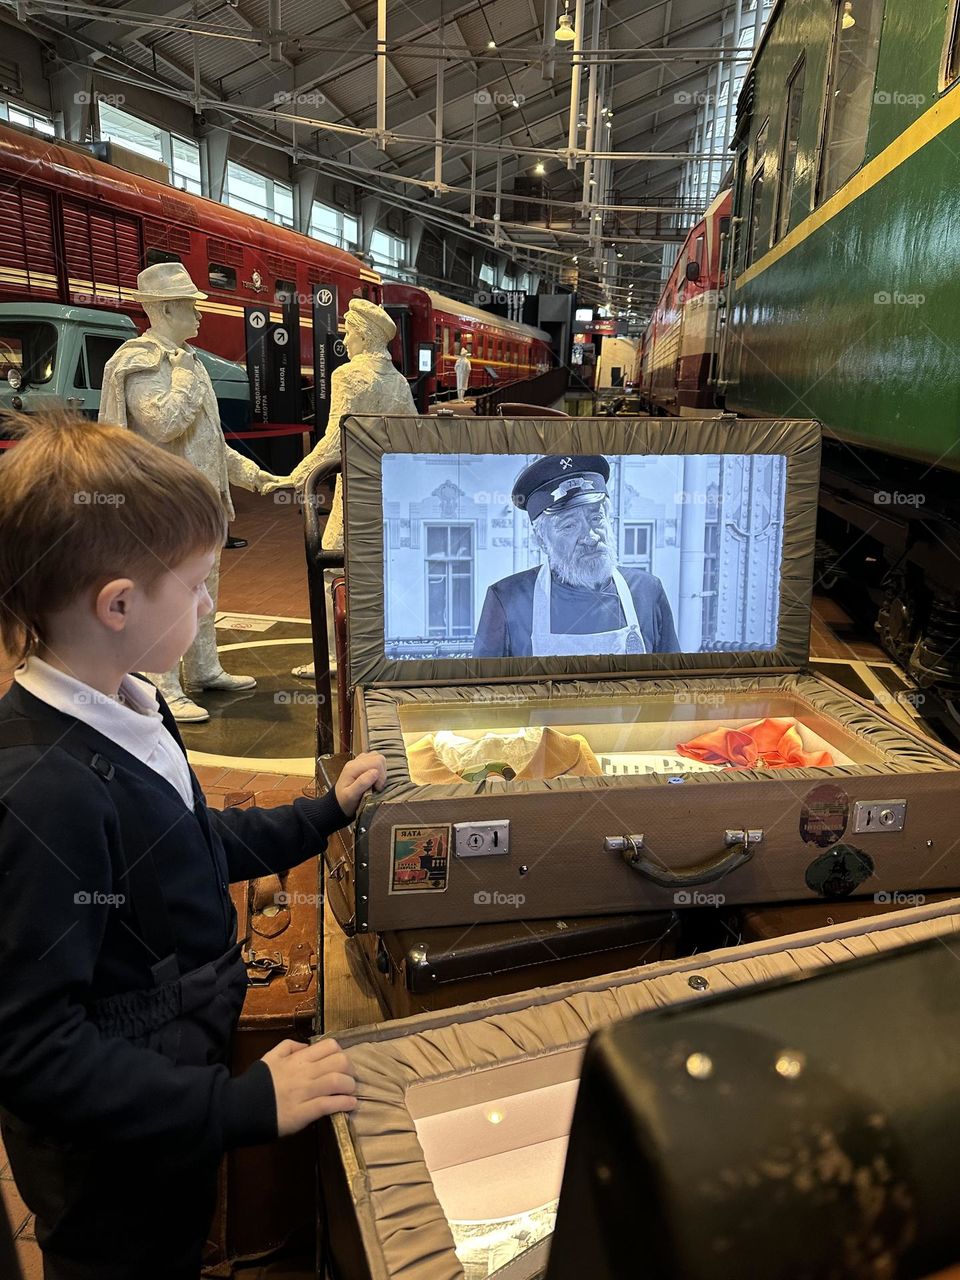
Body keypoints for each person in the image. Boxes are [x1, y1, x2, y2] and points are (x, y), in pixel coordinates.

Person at [0, 410, 387, 1280]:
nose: (212, 603)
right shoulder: (46, 793)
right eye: (201, 583)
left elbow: (185, 842)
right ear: (120, 605)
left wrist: (321, 813)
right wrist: (241, 1103)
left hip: (169, 1088)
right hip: (111, 1158)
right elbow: (33, 1051)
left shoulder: (130, 703)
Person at [99, 262, 290, 724]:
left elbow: (210, 442)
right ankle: (162, 685)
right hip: (163, 506)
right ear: (164, 308)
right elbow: (164, 423)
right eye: (190, 305)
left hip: (199, 505)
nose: (200, 315)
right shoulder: (141, 360)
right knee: (164, 593)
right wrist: (182, 375)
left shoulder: (190, 361)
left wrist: (262, 478)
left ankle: (203, 667)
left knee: (202, 588)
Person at [473, 453, 680, 658]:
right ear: (541, 540)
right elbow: (483, 690)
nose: (590, 537)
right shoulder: (507, 600)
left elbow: (673, 682)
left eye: (596, 517)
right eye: (570, 525)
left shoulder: (648, 592)